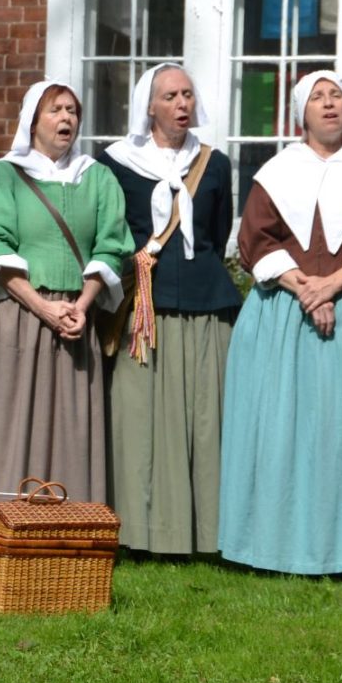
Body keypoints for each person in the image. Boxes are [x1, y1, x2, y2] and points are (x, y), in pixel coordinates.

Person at [217, 71, 342, 574]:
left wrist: (332, 285)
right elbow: (256, 239)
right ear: (300, 115)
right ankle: (273, 544)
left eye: (337, 96)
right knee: (283, 432)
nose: (329, 104)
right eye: (318, 98)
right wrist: (305, 286)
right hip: (286, 311)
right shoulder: (276, 173)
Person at [0, 80, 133, 502]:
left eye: (73, 111)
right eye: (56, 110)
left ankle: (65, 531)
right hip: (15, 317)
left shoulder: (99, 179)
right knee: (7, 423)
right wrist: (43, 307)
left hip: (74, 317)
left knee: (68, 425)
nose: (67, 118)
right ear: (33, 120)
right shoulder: (2, 176)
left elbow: (112, 245)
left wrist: (81, 305)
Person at [100, 63, 240, 555]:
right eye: (171, 96)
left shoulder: (215, 164)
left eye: (187, 94)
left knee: (205, 421)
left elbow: (216, 235)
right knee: (141, 421)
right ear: (149, 107)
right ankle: (140, 531)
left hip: (204, 305)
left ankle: (205, 533)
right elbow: (111, 231)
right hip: (145, 310)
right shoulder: (116, 164)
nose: (183, 104)